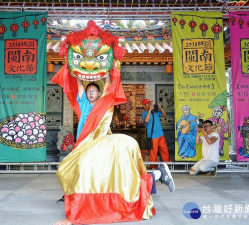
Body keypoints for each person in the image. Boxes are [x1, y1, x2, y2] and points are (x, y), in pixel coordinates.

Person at [52, 21, 175, 225]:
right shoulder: (83, 102)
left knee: (84, 170)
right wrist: (72, 64)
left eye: (94, 91)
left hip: (99, 142)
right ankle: (156, 175)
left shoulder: (105, 102)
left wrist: (114, 66)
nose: (91, 93)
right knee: (71, 169)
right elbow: (80, 83)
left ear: (99, 93)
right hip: (84, 141)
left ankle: (78, 211)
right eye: (89, 91)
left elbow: (110, 84)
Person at [142, 99, 171, 169]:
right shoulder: (144, 113)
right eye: (148, 104)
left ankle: (167, 165)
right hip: (152, 136)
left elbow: (164, 114)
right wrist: (149, 110)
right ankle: (153, 166)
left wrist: (160, 108)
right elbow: (146, 120)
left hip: (161, 134)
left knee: (165, 150)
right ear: (144, 106)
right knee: (153, 152)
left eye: (150, 104)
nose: (149, 105)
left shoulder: (155, 111)